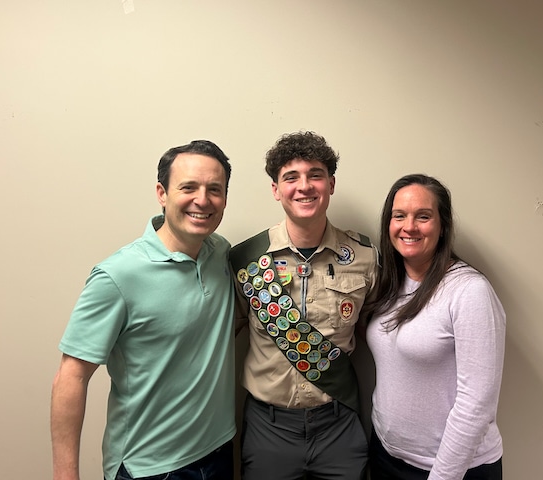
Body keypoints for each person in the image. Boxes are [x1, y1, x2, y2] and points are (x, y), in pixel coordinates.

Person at [50, 140, 237, 480]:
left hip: (220, 450)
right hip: (150, 468)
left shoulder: (220, 252)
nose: (202, 200)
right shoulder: (118, 276)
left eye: (215, 189)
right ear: (162, 193)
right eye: (188, 187)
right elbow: (71, 377)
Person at [229, 131, 379, 480]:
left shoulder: (365, 257)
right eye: (291, 177)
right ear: (275, 189)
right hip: (269, 428)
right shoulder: (246, 259)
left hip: (339, 425)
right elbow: (223, 336)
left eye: (315, 175)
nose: (304, 186)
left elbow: (378, 334)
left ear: (331, 184)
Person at [363, 174, 506, 480]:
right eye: (399, 216)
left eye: (423, 216)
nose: (409, 226)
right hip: (386, 455)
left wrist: (443, 476)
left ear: (443, 226)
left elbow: (476, 405)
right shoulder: (389, 284)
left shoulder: (469, 291)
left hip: (451, 469)